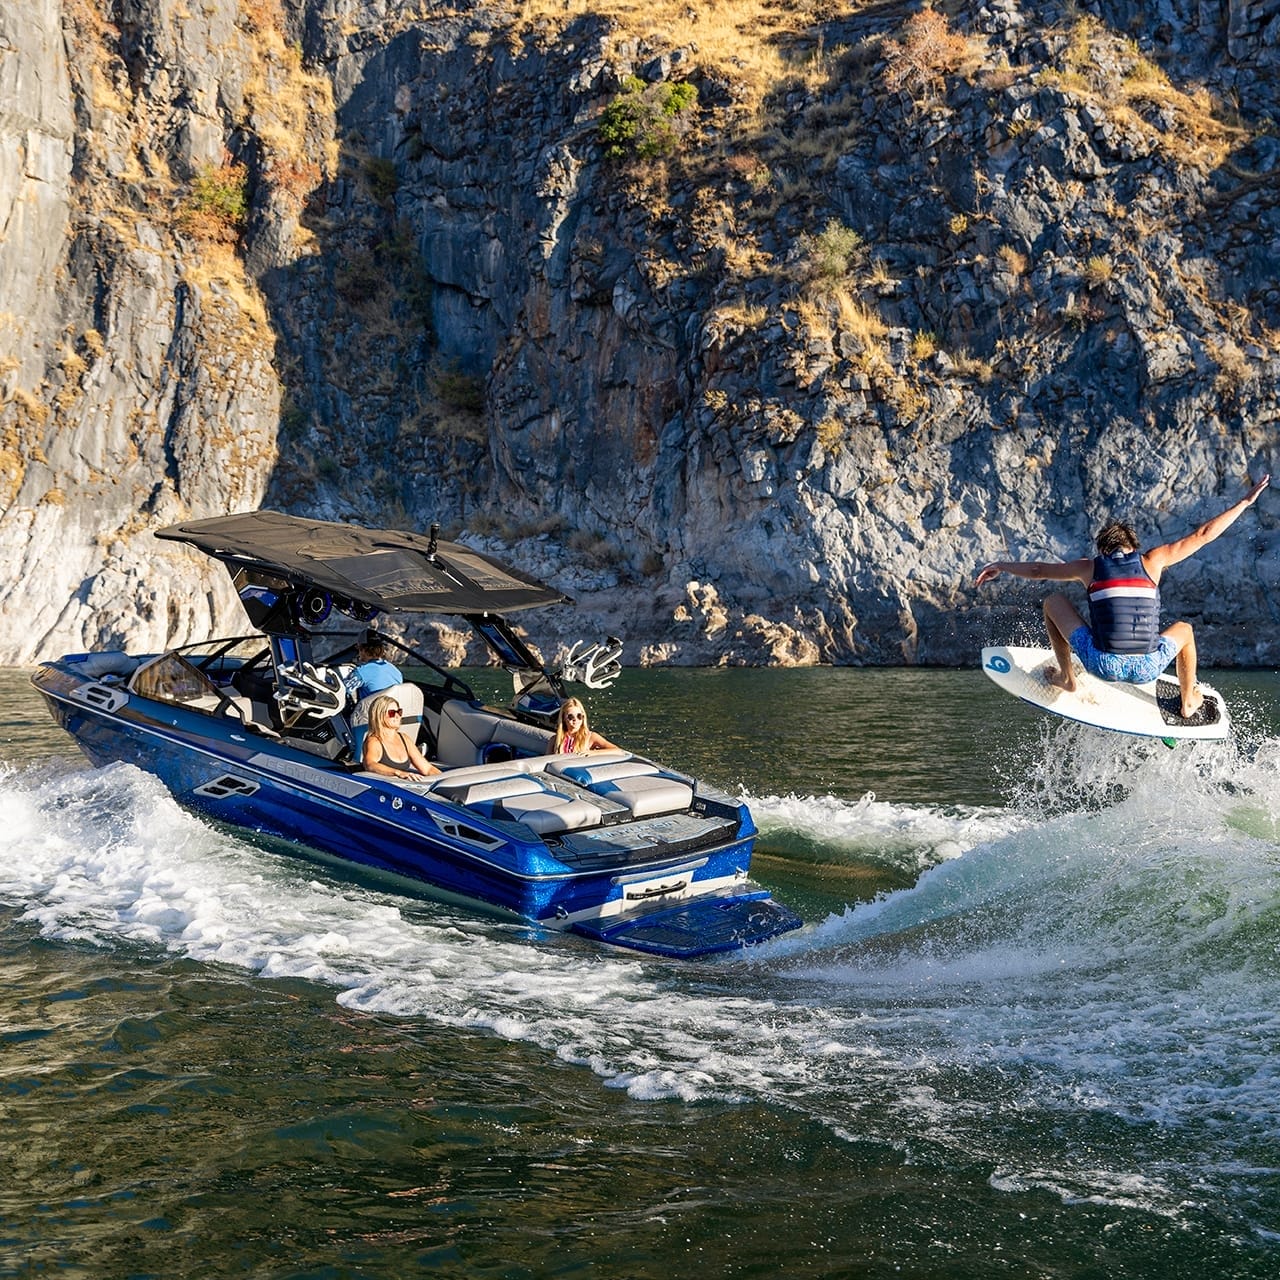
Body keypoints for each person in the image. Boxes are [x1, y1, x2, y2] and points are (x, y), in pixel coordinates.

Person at [976, 475, 1270, 718]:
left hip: (1102, 664)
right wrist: (1244, 502)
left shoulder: (1089, 567)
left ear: (1103, 549)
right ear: (1134, 546)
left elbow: (1039, 569)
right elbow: (1203, 534)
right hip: (1148, 667)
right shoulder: (1154, 561)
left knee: (1053, 602)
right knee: (1186, 631)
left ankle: (1067, 678)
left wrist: (1001, 566)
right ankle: (1188, 699)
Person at [362, 693, 440, 780]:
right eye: (391, 713)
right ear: (379, 716)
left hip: (404, 785)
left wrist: (442, 779)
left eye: (399, 712)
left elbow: (427, 769)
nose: (397, 716)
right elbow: (370, 765)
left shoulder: (404, 738)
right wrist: (398, 773)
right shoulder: (374, 741)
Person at [345, 631, 403, 699]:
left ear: (363, 649)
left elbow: (343, 690)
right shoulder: (396, 671)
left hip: (372, 709)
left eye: (358, 648)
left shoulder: (360, 673)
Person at [553, 697, 619, 754]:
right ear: (563, 718)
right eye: (570, 716)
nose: (575, 719)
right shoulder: (555, 739)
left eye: (579, 716)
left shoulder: (591, 737)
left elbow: (617, 750)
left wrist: (593, 753)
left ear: (583, 717)